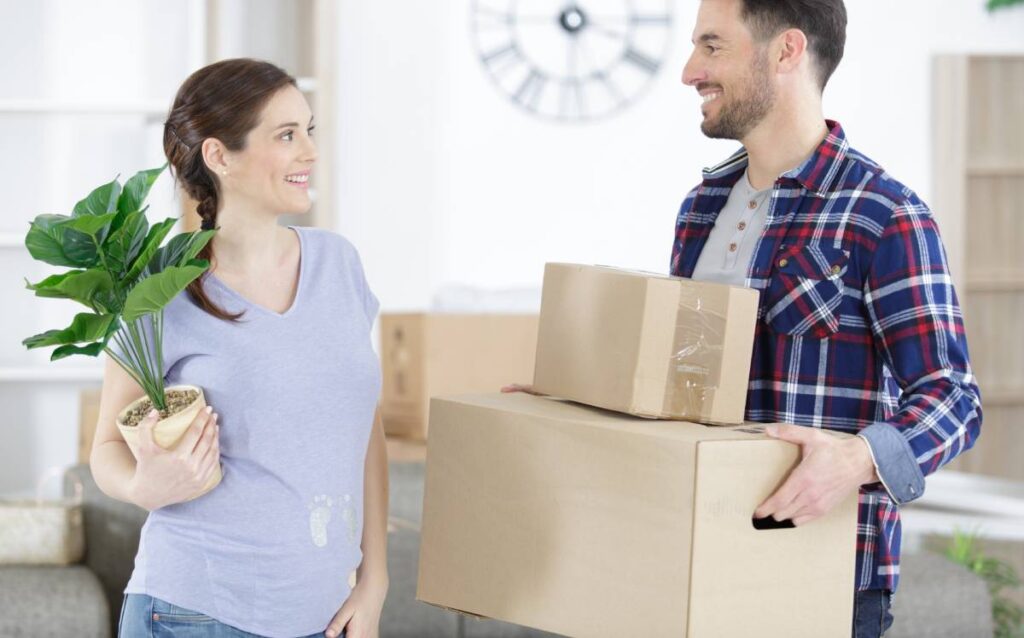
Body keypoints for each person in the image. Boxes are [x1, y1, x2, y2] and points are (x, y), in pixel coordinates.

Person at [674, 0, 981, 635]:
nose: (689, 71)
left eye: (712, 46)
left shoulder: (885, 214)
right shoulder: (700, 208)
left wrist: (857, 459)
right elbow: (680, 380)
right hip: (697, 559)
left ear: (786, 51)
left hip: (825, 575)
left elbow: (954, 398)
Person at [90, 58, 387, 638]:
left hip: (324, 615)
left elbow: (362, 427)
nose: (309, 152)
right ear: (220, 156)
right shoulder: (159, 287)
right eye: (285, 135)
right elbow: (105, 444)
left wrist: (374, 581)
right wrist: (139, 486)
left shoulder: (338, 264)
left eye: (309, 130)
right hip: (193, 613)